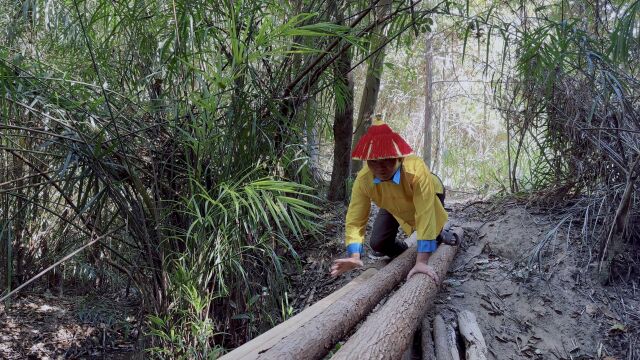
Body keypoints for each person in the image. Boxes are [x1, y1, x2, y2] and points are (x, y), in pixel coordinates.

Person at [330, 115, 452, 282]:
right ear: (367, 161)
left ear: (399, 157)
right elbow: (355, 219)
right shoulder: (363, 180)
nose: (380, 167)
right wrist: (354, 255)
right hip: (391, 201)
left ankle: (436, 236)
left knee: (431, 225)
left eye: (387, 160)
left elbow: (425, 213)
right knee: (379, 243)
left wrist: (422, 262)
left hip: (430, 193)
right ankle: (406, 251)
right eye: (374, 162)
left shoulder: (415, 169)